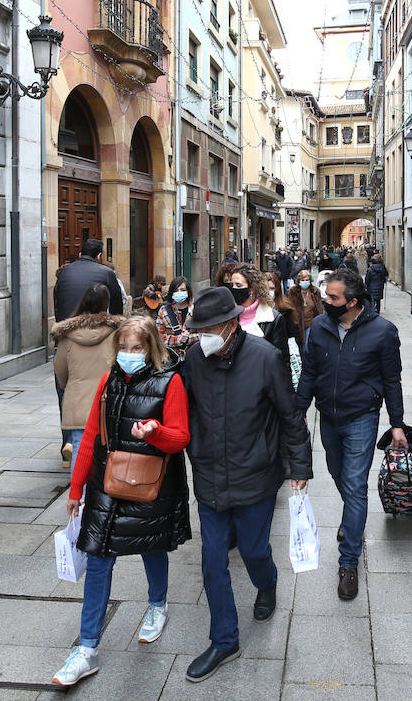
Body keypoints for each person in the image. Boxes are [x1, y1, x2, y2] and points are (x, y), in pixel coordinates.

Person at [179, 287, 311, 682]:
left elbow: (291, 417)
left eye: (208, 328)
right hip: (209, 475)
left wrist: (300, 467)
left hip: (256, 473)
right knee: (212, 559)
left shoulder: (266, 358)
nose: (202, 336)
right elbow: (185, 410)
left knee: (254, 550)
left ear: (232, 324)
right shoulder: (193, 359)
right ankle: (224, 640)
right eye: (197, 328)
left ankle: (267, 584)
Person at [52, 317, 191, 687]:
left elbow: (180, 438)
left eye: (138, 347)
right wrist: (76, 490)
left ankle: (157, 605)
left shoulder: (170, 382)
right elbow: (92, 439)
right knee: (98, 560)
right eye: (125, 348)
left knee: (151, 546)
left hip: (151, 482)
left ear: (152, 349)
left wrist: (155, 431)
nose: (130, 354)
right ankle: (86, 650)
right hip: (107, 483)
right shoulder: (107, 381)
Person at [296, 268, 406, 600]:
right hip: (327, 417)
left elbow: (392, 380)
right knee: (338, 474)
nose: (326, 301)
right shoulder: (318, 327)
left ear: (353, 302)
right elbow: (309, 373)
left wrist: (397, 422)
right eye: (327, 295)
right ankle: (351, 516)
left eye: (333, 298)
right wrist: (297, 412)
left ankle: (348, 562)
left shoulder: (383, 331)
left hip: (361, 416)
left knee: (356, 485)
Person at [53, 284, 122, 470]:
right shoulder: (117, 333)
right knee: (109, 450)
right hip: (108, 401)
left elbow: (60, 371)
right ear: (106, 304)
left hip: (78, 401)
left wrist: (72, 386)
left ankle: (79, 496)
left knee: (79, 448)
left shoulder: (67, 335)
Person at [220, 263, 298, 378]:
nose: (234, 289)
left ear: (252, 289)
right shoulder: (226, 315)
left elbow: (281, 363)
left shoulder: (273, 319)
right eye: (232, 285)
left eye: (238, 285)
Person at [54, 239, 125, 324]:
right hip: (92, 328)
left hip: (64, 327)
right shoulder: (107, 272)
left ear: (80, 254)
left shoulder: (64, 271)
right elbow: (117, 309)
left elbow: (57, 300)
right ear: (99, 256)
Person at [156, 276, 195, 356]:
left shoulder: (196, 309)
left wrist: (189, 339)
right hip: (172, 358)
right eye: (176, 291)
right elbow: (158, 338)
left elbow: (205, 335)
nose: (179, 293)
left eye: (183, 290)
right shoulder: (164, 311)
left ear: (188, 291)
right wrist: (178, 339)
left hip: (193, 356)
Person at [267, 272, 304, 348]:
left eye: (271, 288)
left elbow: (293, 333)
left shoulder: (286, 308)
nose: (268, 292)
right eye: (265, 289)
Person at [289, 270, 324, 334]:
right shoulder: (293, 291)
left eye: (307, 280)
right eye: (302, 280)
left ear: (310, 281)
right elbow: (290, 307)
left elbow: (319, 308)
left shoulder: (315, 291)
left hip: (311, 323)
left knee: (307, 342)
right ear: (299, 281)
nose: (305, 282)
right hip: (297, 324)